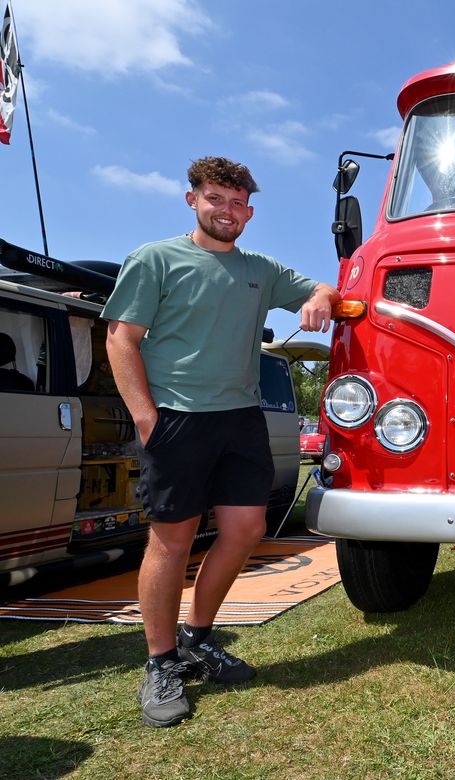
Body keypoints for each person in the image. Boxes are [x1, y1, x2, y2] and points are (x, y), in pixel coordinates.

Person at [103, 156, 339, 728]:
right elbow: (119, 338)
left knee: (246, 531)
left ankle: (196, 638)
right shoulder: (156, 258)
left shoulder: (258, 268)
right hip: (176, 419)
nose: (226, 211)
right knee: (172, 541)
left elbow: (323, 286)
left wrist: (319, 297)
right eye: (216, 199)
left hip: (241, 419)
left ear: (250, 212)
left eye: (237, 204)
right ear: (193, 201)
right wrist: (145, 418)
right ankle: (160, 663)